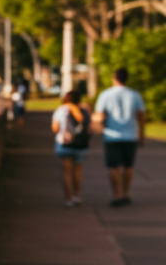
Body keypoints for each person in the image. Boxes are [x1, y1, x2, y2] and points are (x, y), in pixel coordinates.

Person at [94, 67, 148, 207]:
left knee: (113, 167)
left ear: (114, 78)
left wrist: (99, 126)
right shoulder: (135, 95)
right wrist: (142, 134)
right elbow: (141, 116)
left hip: (111, 135)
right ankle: (125, 193)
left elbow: (99, 116)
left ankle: (116, 194)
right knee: (129, 165)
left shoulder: (105, 94)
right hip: (130, 135)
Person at [52, 87, 92, 207]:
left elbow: (55, 128)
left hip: (65, 144)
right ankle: (77, 196)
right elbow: (89, 129)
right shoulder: (84, 111)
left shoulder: (61, 110)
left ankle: (68, 199)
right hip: (81, 145)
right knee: (78, 171)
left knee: (67, 173)